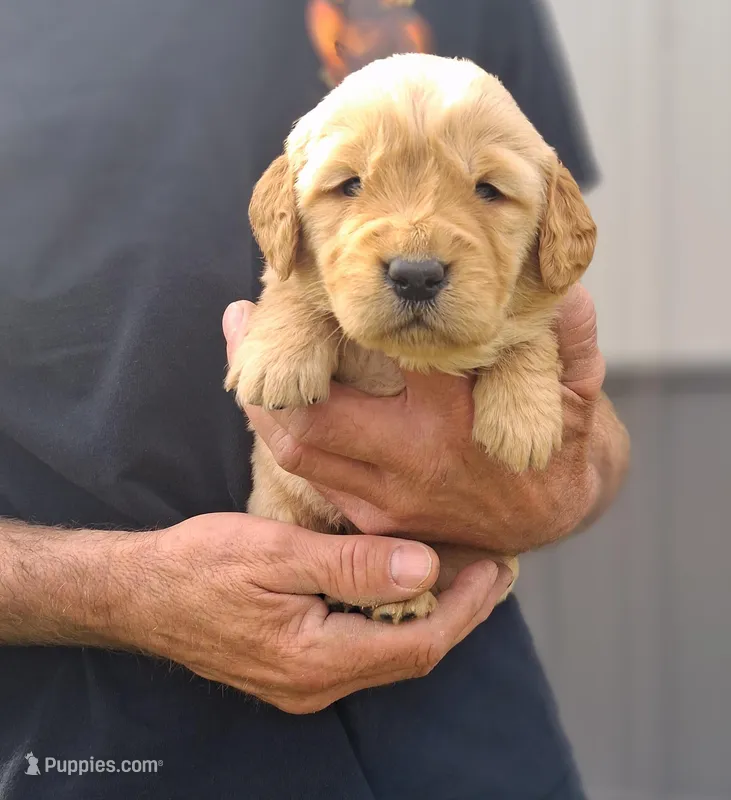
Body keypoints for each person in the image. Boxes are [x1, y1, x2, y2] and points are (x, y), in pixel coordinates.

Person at [0, 1, 629, 798]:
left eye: (485, 190)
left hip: (465, 731)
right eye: (349, 184)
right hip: (102, 747)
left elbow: (593, 433)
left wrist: (566, 483)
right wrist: (120, 593)